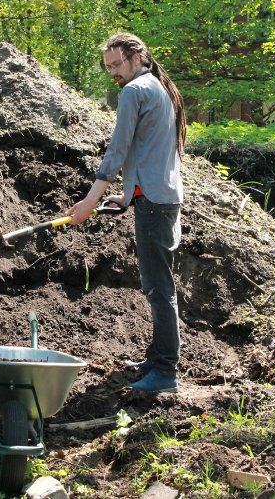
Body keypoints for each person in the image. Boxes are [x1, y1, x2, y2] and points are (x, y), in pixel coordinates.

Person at [66, 32, 186, 393]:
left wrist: (89, 201)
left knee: (158, 287)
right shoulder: (157, 87)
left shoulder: (134, 91)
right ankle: (156, 358)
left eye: (117, 65)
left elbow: (117, 151)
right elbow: (149, 152)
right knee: (158, 285)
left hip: (154, 203)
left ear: (136, 56)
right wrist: (129, 195)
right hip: (156, 198)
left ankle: (165, 371)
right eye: (108, 68)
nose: (113, 73)